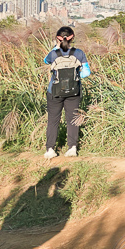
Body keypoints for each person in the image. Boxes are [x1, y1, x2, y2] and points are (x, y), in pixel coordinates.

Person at [43, 26, 90, 158]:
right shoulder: (79, 53)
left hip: (54, 90)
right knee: (72, 119)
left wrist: (56, 47)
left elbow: (45, 61)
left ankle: (50, 149)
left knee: (53, 120)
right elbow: (87, 72)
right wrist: (74, 78)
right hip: (73, 91)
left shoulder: (53, 54)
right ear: (72, 38)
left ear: (57, 38)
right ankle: (72, 148)